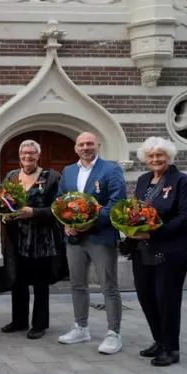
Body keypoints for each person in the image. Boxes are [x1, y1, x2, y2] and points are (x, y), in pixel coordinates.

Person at [128, 137, 187, 366]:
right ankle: (159, 340)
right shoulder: (143, 180)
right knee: (146, 297)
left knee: (166, 299)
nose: (155, 159)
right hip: (143, 249)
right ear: (145, 159)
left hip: (172, 251)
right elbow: (136, 211)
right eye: (151, 156)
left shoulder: (182, 182)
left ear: (169, 156)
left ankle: (171, 348)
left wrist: (153, 233)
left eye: (160, 155)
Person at [57, 132, 126, 354]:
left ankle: (113, 333)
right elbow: (60, 202)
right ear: (76, 148)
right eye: (81, 144)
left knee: (108, 286)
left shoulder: (111, 169)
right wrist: (64, 223)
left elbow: (117, 202)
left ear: (97, 145)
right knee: (77, 284)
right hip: (74, 237)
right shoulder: (68, 171)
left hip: (101, 235)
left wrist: (91, 222)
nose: (86, 147)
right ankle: (81, 327)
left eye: (90, 143)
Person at [0, 140, 66, 339]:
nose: (27, 157)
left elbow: (59, 208)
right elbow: (2, 201)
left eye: (31, 153)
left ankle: (39, 324)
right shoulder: (11, 177)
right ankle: (19, 320)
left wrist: (35, 212)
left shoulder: (51, 177)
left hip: (41, 240)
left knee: (40, 284)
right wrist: (3, 213)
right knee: (17, 280)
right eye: (23, 153)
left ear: (38, 155)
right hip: (16, 237)